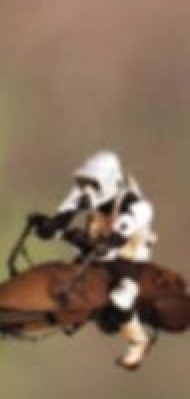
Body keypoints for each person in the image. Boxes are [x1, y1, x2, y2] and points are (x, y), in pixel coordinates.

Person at [30, 150, 158, 369]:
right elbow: (62, 218)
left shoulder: (131, 204)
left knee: (122, 297)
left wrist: (105, 242)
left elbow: (123, 233)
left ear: (110, 181)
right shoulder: (82, 196)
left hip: (127, 259)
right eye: (85, 181)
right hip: (96, 252)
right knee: (62, 280)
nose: (88, 188)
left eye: (94, 182)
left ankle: (137, 341)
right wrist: (48, 227)